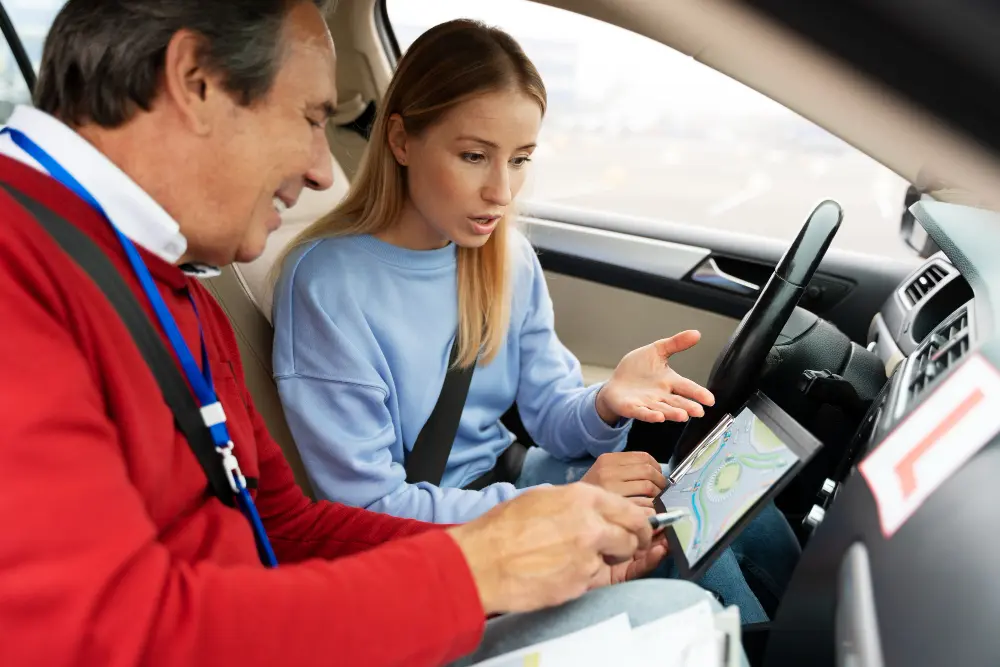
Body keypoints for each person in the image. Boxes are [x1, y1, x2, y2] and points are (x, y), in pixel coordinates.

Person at [0, 1, 749, 666]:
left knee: (683, 596)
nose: (325, 169)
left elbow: (283, 524)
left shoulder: (170, 286)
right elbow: (108, 635)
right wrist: (482, 564)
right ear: (196, 81)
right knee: (678, 617)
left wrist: (526, 539)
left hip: (297, 618)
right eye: (311, 119)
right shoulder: (21, 274)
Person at [271, 19, 800, 622]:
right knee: (695, 566)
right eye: (474, 156)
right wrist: (566, 503)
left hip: (523, 483)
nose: (501, 189)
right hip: (451, 548)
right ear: (400, 140)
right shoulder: (328, 285)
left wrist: (606, 402)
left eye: (520, 159)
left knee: (746, 517)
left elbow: (551, 416)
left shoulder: (506, 257)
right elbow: (370, 508)